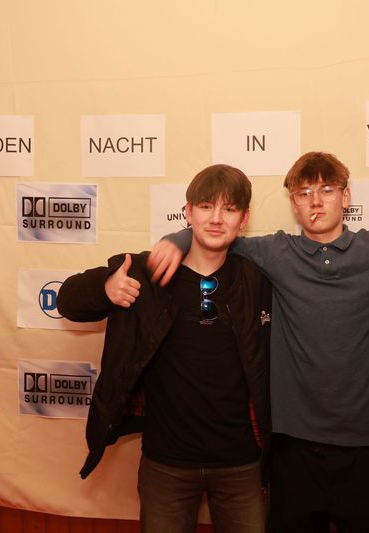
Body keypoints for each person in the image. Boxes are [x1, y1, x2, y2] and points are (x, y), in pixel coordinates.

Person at [148, 152, 369, 532]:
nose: (316, 201)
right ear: (293, 203)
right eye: (304, 193)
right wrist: (178, 237)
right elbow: (215, 236)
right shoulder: (275, 252)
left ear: (346, 196)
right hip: (293, 445)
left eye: (326, 190)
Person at [57, 164, 272, 533]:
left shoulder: (256, 279)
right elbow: (67, 301)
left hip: (242, 464)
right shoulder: (145, 271)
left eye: (229, 209)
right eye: (206, 206)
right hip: (166, 463)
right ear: (187, 212)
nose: (216, 218)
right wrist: (105, 288)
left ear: (244, 219)